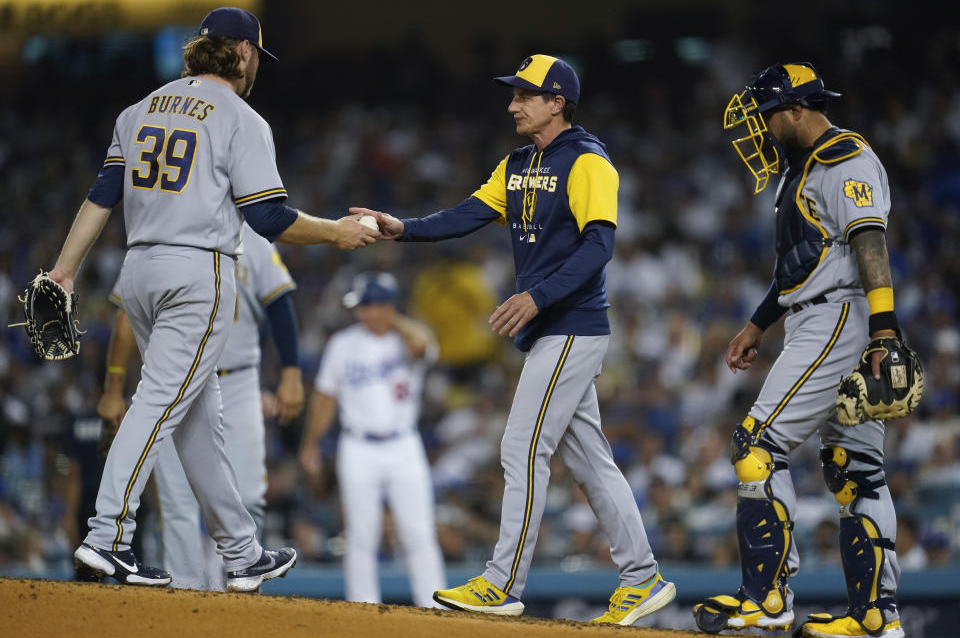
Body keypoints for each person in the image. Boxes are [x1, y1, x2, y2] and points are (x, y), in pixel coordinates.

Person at [50, 7, 377, 590]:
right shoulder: (240, 117)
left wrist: (63, 271)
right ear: (245, 53)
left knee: (197, 416)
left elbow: (102, 198)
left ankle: (240, 550)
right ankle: (108, 536)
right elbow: (268, 217)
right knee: (158, 403)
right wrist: (336, 231)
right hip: (197, 272)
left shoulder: (138, 110)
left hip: (139, 271)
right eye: (256, 57)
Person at [350, 54, 675, 625]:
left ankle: (502, 582)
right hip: (552, 329)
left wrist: (537, 296)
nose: (512, 104)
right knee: (592, 461)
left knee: (521, 447)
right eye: (514, 94)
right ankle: (642, 575)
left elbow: (600, 247)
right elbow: (468, 214)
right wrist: (404, 229)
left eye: (525, 95)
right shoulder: (521, 161)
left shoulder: (589, 161)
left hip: (572, 325)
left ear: (557, 101)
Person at [692, 63, 907, 638]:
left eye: (765, 116)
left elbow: (870, 242)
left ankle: (765, 599)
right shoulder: (803, 169)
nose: (759, 129)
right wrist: (759, 323)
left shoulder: (844, 158)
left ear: (795, 110)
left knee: (757, 446)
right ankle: (874, 617)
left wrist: (885, 332)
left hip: (840, 317)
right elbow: (802, 265)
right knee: (853, 468)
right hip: (823, 312)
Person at [98, 224, 304, 589]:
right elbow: (125, 317)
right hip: (176, 375)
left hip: (238, 379)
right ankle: (187, 593)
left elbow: (280, 301)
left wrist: (291, 372)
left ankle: (240, 582)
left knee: (251, 494)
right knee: (178, 500)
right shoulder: (163, 233)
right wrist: (113, 386)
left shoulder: (251, 237)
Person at [298, 272, 446, 607]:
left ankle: (434, 606)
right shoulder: (343, 343)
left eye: (368, 306)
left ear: (387, 306)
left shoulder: (408, 338)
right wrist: (311, 443)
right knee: (362, 535)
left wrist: (393, 319)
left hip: (404, 444)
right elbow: (325, 397)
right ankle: (362, 607)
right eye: (360, 306)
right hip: (358, 446)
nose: (360, 313)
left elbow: (424, 346)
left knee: (418, 532)